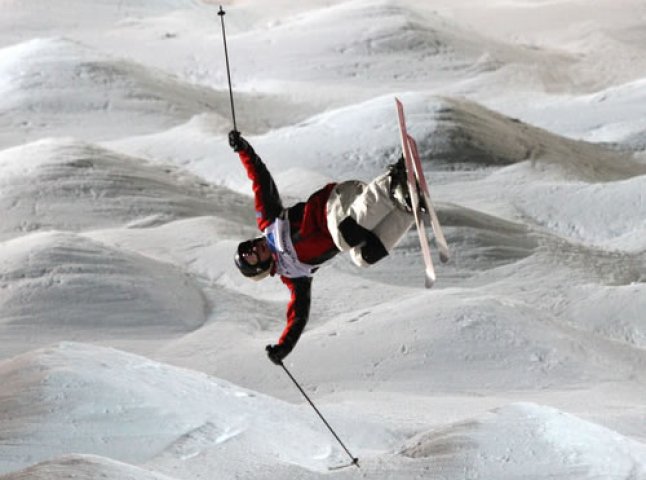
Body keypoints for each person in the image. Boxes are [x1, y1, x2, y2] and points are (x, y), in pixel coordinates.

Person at [228, 130, 419, 364]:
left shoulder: (270, 223)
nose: (255, 249)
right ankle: (407, 208)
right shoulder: (295, 275)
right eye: (253, 257)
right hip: (356, 216)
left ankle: (393, 180)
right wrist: (284, 346)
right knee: (364, 257)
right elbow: (298, 316)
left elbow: (260, 179)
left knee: (343, 238)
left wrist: (243, 149)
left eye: (250, 247)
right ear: (262, 269)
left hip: (337, 201)